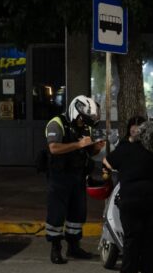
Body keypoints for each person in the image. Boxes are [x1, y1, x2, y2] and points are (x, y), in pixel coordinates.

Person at [103, 117, 153, 273]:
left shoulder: (129, 149)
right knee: (152, 237)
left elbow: (108, 161)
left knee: (132, 237)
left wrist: (119, 169)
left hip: (134, 199)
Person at [44, 95, 106, 264]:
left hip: (78, 176)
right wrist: (78, 144)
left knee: (78, 213)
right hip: (59, 177)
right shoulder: (56, 123)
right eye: (81, 119)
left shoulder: (85, 127)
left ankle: (73, 247)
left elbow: (87, 152)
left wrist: (96, 148)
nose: (83, 123)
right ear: (75, 112)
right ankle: (55, 248)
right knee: (56, 213)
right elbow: (54, 148)